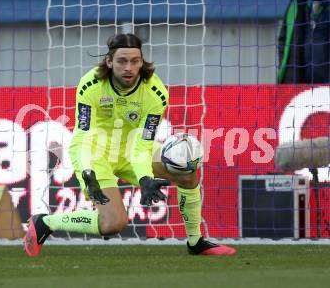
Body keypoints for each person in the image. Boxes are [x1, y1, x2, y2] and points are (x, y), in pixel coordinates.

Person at [24, 33, 236, 256]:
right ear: (109, 61)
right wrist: (88, 171)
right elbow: (83, 137)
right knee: (113, 224)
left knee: (187, 172)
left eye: (135, 61)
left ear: (141, 62)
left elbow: (143, 145)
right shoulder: (90, 85)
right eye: (122, 61)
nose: (129, 68)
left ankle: (196, 241)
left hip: (132, 150)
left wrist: (145, 178)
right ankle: (46, 222)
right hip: (95, 154)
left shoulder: (156, 93)